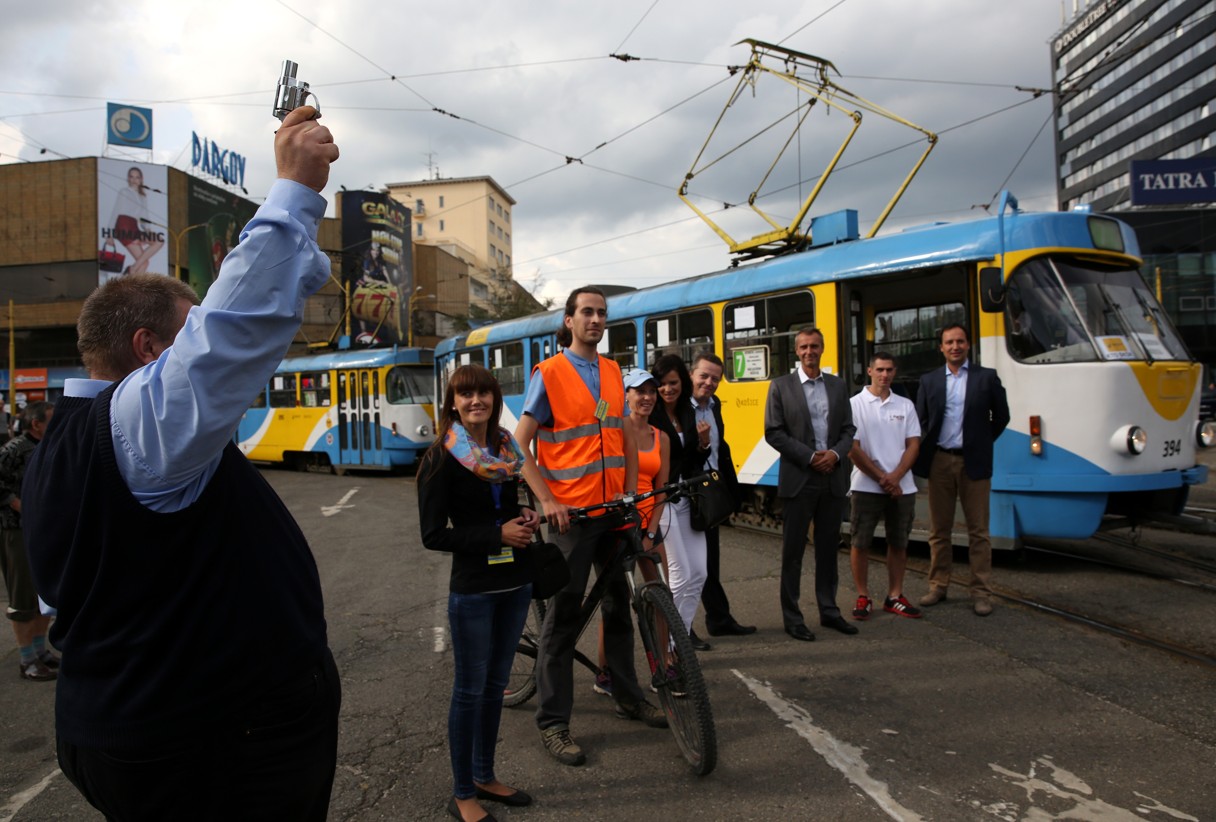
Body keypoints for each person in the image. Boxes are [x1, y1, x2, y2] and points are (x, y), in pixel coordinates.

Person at [22, 104, 342, 821]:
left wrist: (297, 246)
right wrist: (295, 188)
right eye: (185, 328)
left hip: (154, 734)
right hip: (211, 750)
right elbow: (228, 337)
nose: (200, 339)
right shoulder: (137, 424)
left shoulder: (69, 442)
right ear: (147, 351)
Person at [515, 285, 664, 768]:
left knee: (620, 607)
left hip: (612, 512)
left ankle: (626, 695)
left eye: (602, 313)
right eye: (587, 312)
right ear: (569, 320)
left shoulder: (611, 372)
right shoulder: (550, 373)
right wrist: (547, 498)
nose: (596, 319)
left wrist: (627, 495)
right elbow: (519, 446)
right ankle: (554, 723)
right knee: (563, 619)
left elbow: (619, 435)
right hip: (572, 519)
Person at [419, 363, 541, 822]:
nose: (476, 402)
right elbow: (433, 535)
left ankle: (486, 775)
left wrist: (525, 519)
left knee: (495, 687)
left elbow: (507, 509)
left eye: (484, 394)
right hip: (474, 590)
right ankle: (462, 791)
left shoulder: (507, 451)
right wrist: (496, 537)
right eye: (466, 395)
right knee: (470, 690)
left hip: (515, 583)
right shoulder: (441, 457)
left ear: (495, 400)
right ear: (453, 403)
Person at [764, 328, 857, 642]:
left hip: (832, 478)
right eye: (803, 346)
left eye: (814, 346)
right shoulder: (781, 387)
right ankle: (793, 618)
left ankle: (829, 611)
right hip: (800, 478)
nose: (809, 351)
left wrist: (833, 454)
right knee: (793, 553)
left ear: (822, 348)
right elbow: (773, 432)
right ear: (796, 350)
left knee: (829, 551)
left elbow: (848, 430)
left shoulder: (838, 386)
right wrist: (809, 457)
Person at [913, 323, 1010, 616]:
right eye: (949, 342)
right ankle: (938, 586)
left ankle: (981, 592)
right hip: (940, 461)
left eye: (960, 341)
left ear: (968, 345)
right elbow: (921, 421)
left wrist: (979, 442)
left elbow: (1002, 417)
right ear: (941, 347)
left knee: (978, 531)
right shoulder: (929, 381)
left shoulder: (986, 378)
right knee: (939, 530)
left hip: (974, 461)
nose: (955, 346)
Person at [594, 366, 670, 697]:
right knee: (617, 600)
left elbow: (661, 488)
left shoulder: (661, 437)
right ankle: (605, 670)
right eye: (640, 391)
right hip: (620, 520)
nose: (647, 397)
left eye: (652, 391)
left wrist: (651, 529)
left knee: (660, 595)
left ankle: (665, 665)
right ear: (626, 395)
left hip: (648, 520)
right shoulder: (615, 428)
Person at [847, 353, 922, 620]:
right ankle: (863, 595)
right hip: (866, 485)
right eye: (879, 369)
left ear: (895, 372)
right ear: (869, 371)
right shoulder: (855, 405)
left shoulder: (905, 405)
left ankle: (894, 595)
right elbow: (852, 449)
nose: (884, 375)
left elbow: (914, 443)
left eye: (889, 370)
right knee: (860, 542)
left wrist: (897, 476)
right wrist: (883, 478)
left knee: (898, 542)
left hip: (903, 486)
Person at [687, 352, 756, 639]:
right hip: (687, 493)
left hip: (710, 492)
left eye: (715, 378)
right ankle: (681, 628)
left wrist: (732, 490)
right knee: (688, 568)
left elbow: (721, 449)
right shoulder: (679, 408)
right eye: (703, 375)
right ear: (692, 374)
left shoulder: (714, 406)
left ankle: (719, 619)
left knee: (709, 562)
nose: (709, 382)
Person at [649, 354, 712, 650]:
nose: (666, 389)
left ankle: (679, 641)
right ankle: (666, 642)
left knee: (699, 572)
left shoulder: (687, 411)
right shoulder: (652, 414)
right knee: (679, 574)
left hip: (689, 500)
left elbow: (693, 460)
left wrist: (703, 443)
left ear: (682, 383)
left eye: (672, 383)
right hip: (664, 502)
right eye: (661, 384)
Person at [0, 401, 57, 681]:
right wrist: (19, 504)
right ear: (36, 424)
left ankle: (40, 651)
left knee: (43, 593)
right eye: (51, 419)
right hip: (17, 530)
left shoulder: (49, 446)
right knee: (23, 595)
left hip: (43, 527)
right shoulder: (13, 450)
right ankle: (26, 660)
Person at [108, 166, 165, 277]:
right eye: (132, 177)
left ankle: (131, 273)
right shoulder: (124, 192)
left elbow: (144, 217)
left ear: (141, 179)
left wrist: (147, 231)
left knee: (156, 244)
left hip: (134, 226)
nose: (134, 180)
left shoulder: (142, 196)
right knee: (144, 263)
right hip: (124, 225)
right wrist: (110, 234)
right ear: (128, 179)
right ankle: (132, 277)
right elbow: (115, 211)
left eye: (137, 177)